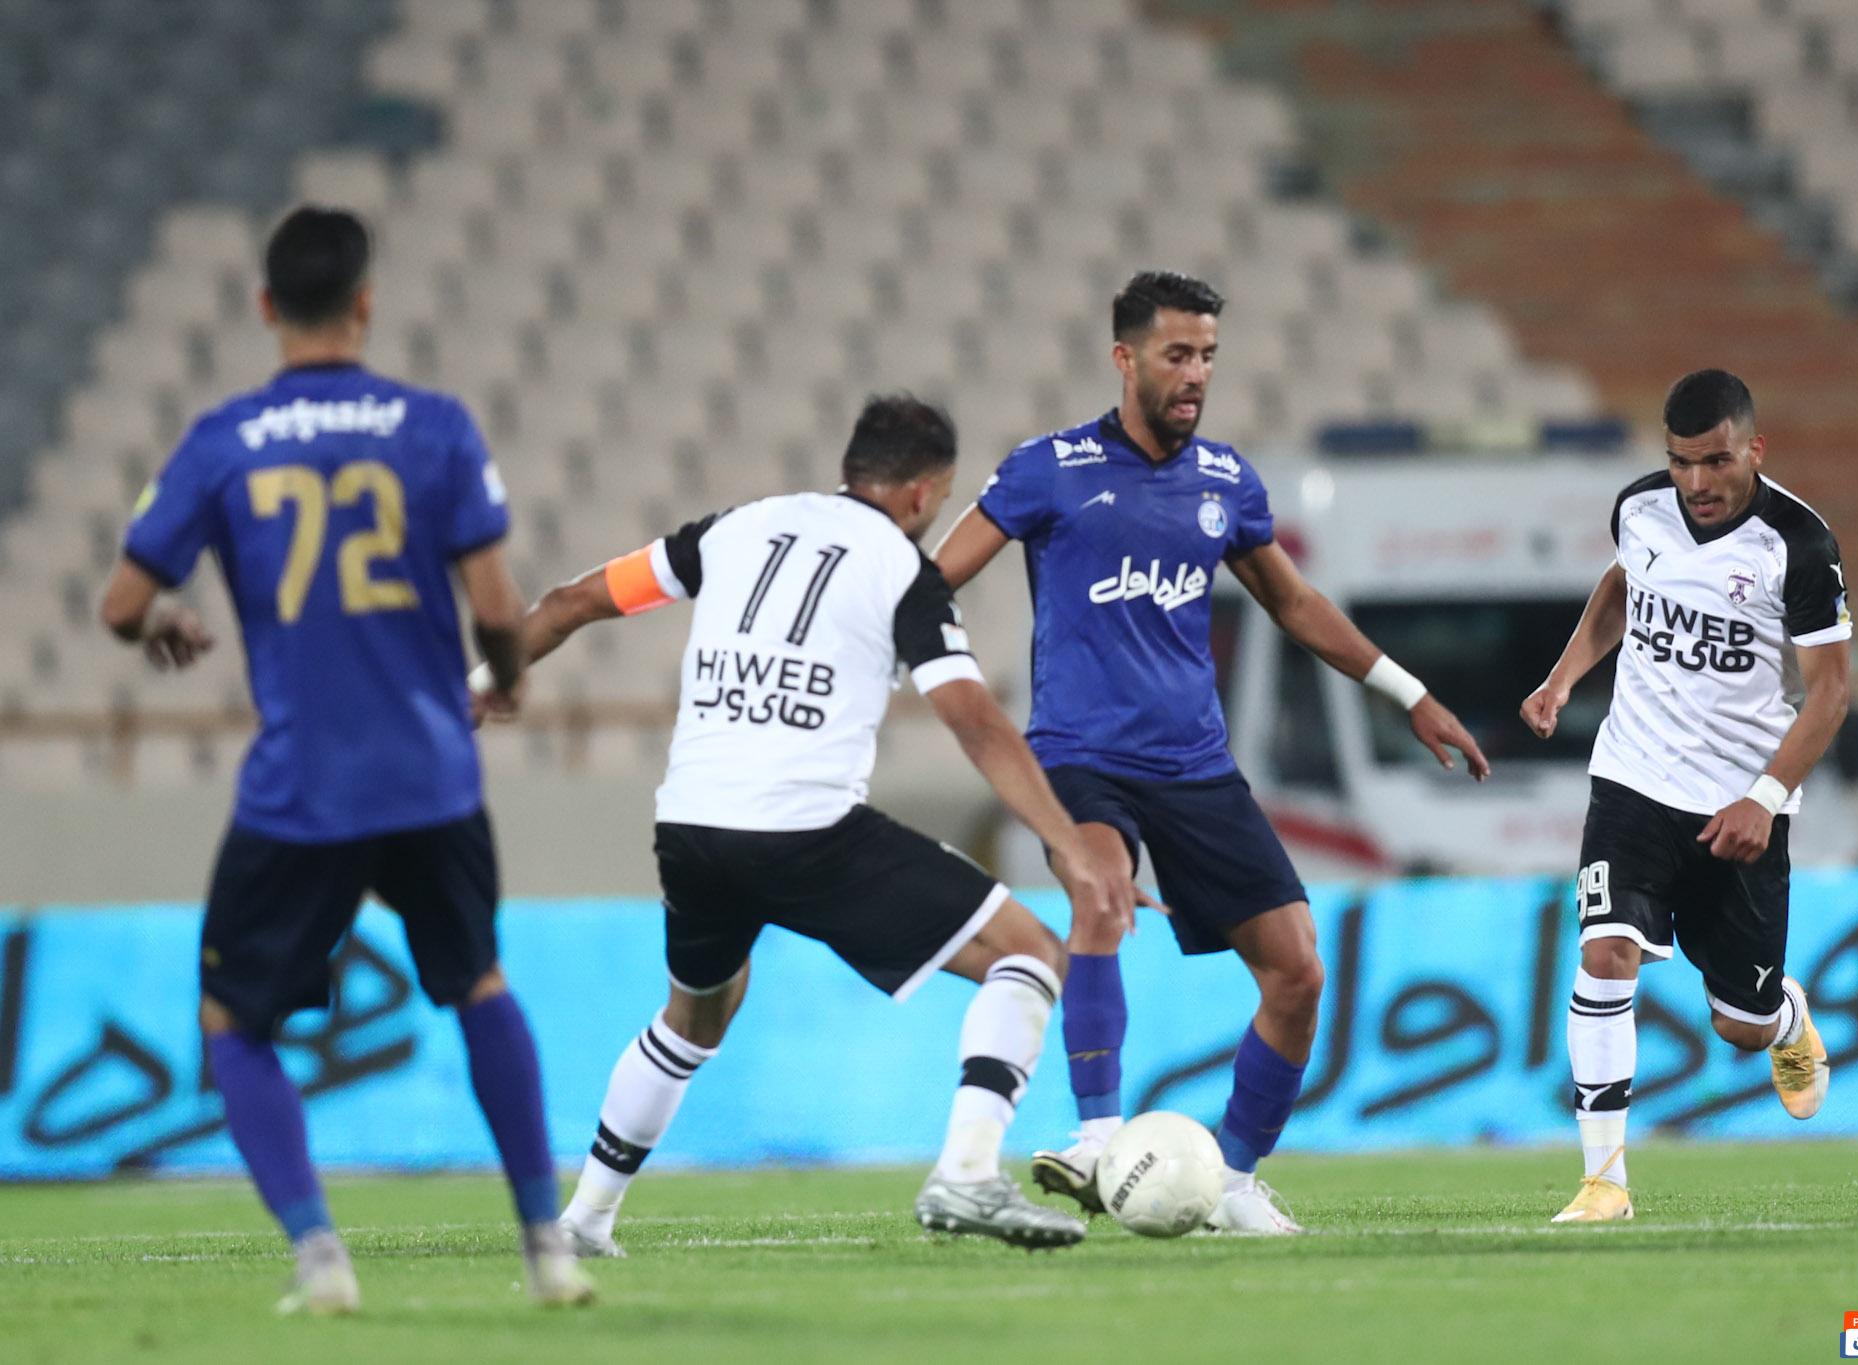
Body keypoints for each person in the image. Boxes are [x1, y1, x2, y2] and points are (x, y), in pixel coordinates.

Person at [98, 207, 592, 1310]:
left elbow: (122, 602)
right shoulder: (435, 427)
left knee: (232, 1022)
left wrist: (162, 625)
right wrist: (509, 675)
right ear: (366, 303)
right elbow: (496, 604)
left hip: (301, 787)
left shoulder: (221, 441)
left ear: (265, 306)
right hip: (430, 773)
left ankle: (321, 1257)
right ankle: (546, 1247)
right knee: (478, 983)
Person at [507, 394, 1141, 1254]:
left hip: (690, 826)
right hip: (802, 829)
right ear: (924, 492)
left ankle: (584, 1218)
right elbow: (973, 718)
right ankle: (966, 1172)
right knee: (1029, 951)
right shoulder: (903, 569)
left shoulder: (733, 528)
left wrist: (482, 683)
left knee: (694, 1016)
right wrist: (1071, 844)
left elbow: (573, 599)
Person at [931, 271, 1491, 1234]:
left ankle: (1231, 1180)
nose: (1195, 374)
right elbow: (932, 579)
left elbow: (1294, 602)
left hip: (1195, 767)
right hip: (1078, 754)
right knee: (1100, 890)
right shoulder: (1048, 468)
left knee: (1299, 970)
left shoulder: (1227, 481)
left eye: (1208, 357)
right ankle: (1098, 1136)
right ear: (1125, 358)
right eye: (1177, 355)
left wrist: (1411, 694)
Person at [1521, 369, 1846, 1224]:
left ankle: (1784, 1017)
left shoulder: (1799, 545)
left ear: (1754, 449)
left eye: (1715, 461)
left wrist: (1766, 796)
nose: (1695, 481)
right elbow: (1624, 586)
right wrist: (1563, 677)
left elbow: (1831, 690)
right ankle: (1604, 1183)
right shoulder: (1640, 508)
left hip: (1739, 805)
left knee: (1739, 1022)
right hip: (1633, 775)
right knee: (1606, 952)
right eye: (1679, 461)